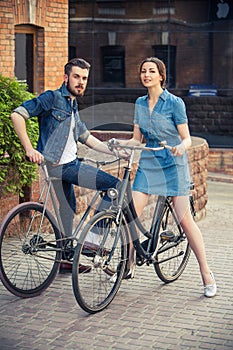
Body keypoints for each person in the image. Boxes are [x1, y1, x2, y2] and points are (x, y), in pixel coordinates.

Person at [10, 57, 121, 273]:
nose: (81, 82)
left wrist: (116, 150)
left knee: (68, 211)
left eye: (85, 78)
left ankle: (64, 260)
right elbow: (17, 115)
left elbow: (87, 138)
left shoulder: (73, 105)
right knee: (114, 185)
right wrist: (29, 149)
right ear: (66, 77)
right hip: (62, 166)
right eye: (77, 77)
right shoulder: (52, 98)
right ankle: (95, 240)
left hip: (67, 164)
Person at [118, 57, 217, 297]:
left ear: (161, 76)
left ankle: (206, 273)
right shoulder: (140, 103)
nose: (146, 75)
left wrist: (182, 147)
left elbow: (187, 138)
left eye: (152, 71)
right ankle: (129, 262)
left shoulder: (175, 103)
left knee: (185, 220)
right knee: (130, 214)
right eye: (143, 71)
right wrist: (120, 145)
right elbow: (136, 139)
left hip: (173, 163)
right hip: (150, 162)